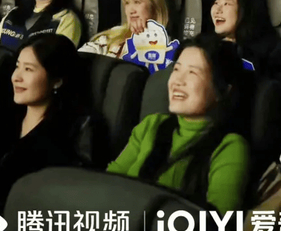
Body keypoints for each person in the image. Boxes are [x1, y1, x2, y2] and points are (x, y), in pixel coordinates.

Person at [107, 33, 250, 216]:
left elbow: (219, 221)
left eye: (192, 73)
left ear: (222, 90)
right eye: (176, 69)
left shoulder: (229, 147)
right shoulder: (152, 124)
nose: (178, 81)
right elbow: (110, 182)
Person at [0, 34, 83, 200]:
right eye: (17, 66)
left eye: (28, 69)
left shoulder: (71, 133)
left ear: (57, 81)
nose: (16, 77)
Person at [211, 0, 281, 76]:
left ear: (246, 10)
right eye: (216, 3)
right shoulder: (209, 45)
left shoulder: (272, 52)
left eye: (227, 4)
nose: (217, 10)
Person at [79, 0, 171, 57]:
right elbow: (82, 56)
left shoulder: (166, 45)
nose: (131, 10)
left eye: (137, 2)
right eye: (127, 3)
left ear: (155, 6)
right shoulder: (115, 34)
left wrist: (140, 37)